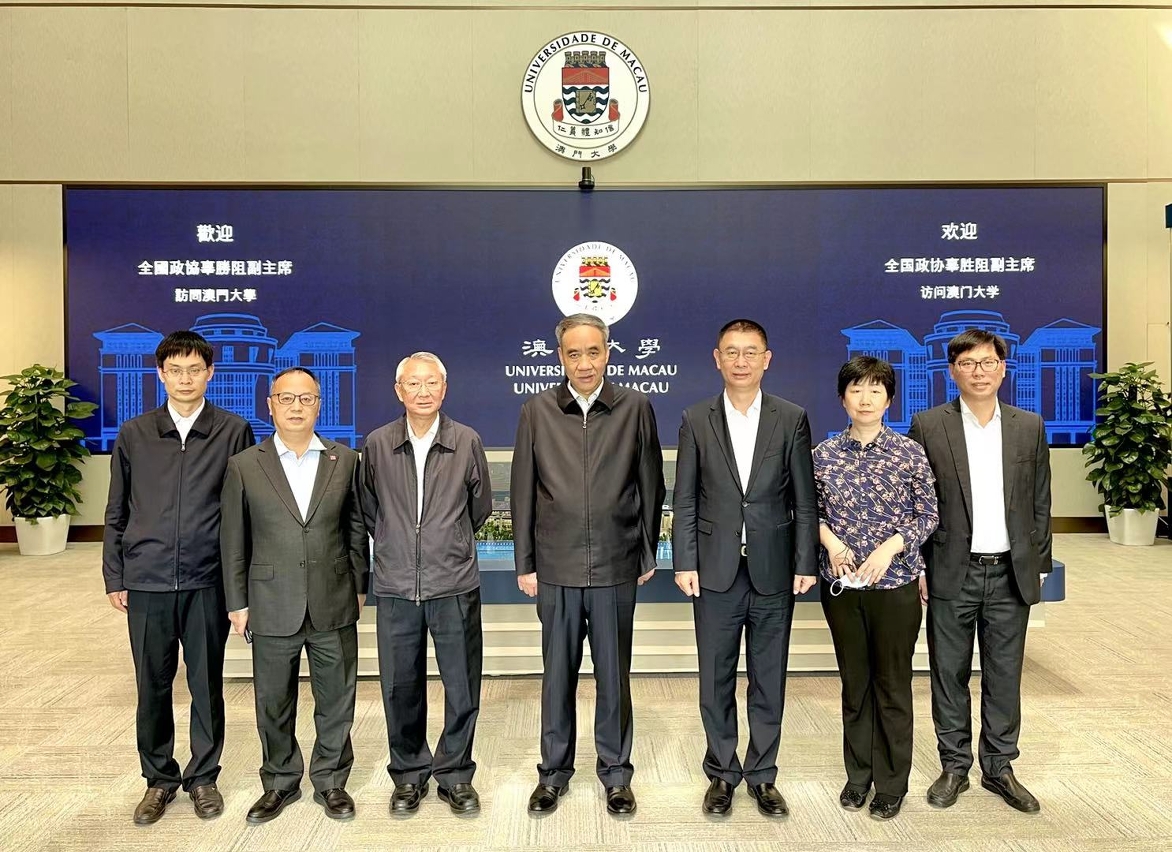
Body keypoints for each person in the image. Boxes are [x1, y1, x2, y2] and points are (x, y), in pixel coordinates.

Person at [510, 312, 665, 817]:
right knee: (557, 676)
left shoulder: (634, 407)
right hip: (555, 567)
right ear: (560, 356)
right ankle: (553, 774)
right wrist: (525, 562)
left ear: (608, 353)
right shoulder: (537, 410)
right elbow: (523, 491)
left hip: (617, 565)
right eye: (573, 353)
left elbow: (651, 484)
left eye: (593, 352)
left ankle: (616, 774)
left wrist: (645, 551)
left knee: (614, 677)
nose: (584, 363)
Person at [102, 330, 255, 825]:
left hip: (207, 579)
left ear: (210, 374)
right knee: (152, 684)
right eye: (175, 370)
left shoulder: (233, 431)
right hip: (146, 579)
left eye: (195, 370)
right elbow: (117, 510)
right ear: (161, 374)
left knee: (207, 683)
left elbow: (243, 513)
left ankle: (204, 776)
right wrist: (115, 575)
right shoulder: (135, 433)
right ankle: (159, 780)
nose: (185, 379)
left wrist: (240, 584)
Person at [672, 318, 818, 818]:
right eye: (731, 352)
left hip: (774, 569)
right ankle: (721, 772)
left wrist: (804, 560)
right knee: (715, 678)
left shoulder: (791, 417)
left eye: (750, 352)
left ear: (766, 359)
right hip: (714, 570)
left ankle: (762, 774)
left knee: (768, 678)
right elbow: (685, 497)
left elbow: (804, 498)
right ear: (717, 359)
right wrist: (684, 560)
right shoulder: (696, 418)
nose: (741, 361)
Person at [908, 329, 1052, 814]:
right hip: (952, 570)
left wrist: (1040, 565)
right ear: (953, 371)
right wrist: (919, 565)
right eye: (968, 363)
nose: (979, 371)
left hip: (1010, 571)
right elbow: (918, 503)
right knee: (948, 673)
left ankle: (999, 766)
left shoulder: (1028, 426)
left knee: (1004, 673)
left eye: (988, 362)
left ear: (1003, 368)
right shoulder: (929, 425)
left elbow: (1040, 501)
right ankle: (954, 766)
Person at [219, 367, 369, 824]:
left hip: (333, 597)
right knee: (273, 701)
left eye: (306, 398)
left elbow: (356, 529)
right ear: (270, 405)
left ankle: (331, 780)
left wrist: (360, 586)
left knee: (337, 698)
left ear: (319, 404)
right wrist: (236, 601)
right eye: (286, 398)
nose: (296, 407)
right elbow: (233, 540)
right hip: (270, 601)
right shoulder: (245, 464)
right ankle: (280, 781)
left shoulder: (345, 460)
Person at [359, 352, 492, 815]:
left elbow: (479, 509)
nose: (423, 391)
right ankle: (409, 774)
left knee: (462, 685)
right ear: (399, 391)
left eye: (431, 383)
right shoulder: (377, 443)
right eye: (413, 383)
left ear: (444, 388)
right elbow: (369, 508)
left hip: (453, 582)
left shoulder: (466, 440)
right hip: (396, 584)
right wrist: (397, 542)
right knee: (400, 686)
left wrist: (447, 541)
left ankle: (455, 774)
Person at [813, 356, 938, 820]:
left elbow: (928, 514)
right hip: (842, 587)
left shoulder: (909, 452)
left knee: (892, 685)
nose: (865, 399)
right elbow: (808, 512)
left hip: (895, 585)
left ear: (889, 399)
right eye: (856, 390)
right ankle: (858, 775)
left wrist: (890, 547)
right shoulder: (823, 455)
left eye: (875, 390)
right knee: (854, 684)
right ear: (842, 398)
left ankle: (891, 783)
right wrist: (831, 543)